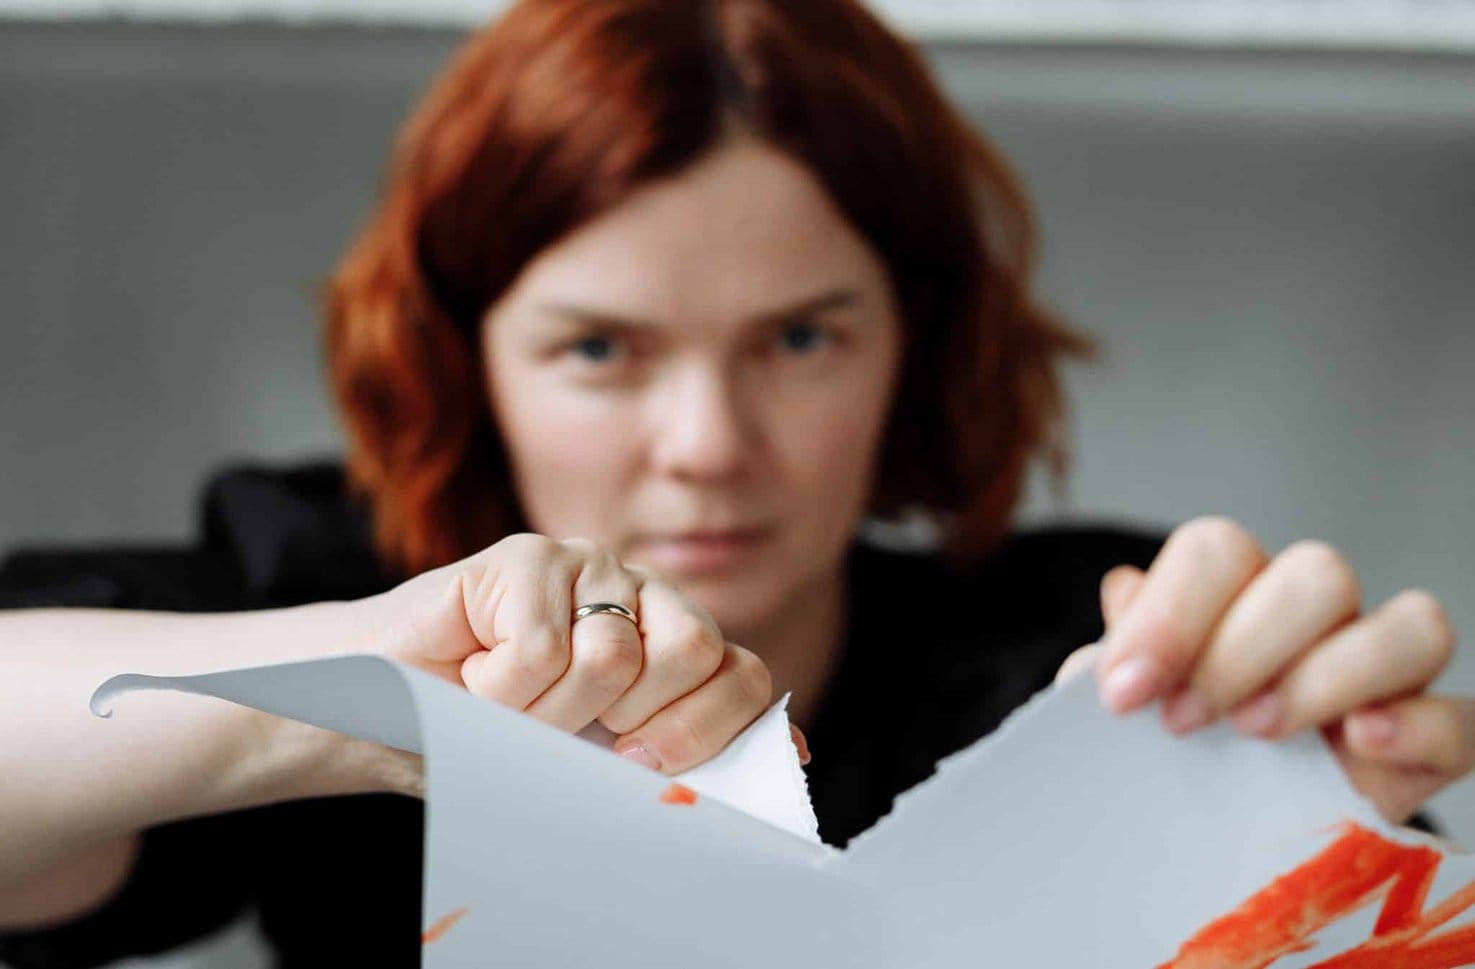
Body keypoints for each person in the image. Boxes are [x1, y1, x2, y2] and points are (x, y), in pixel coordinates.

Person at [1, 0, 1466, 964]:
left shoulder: (1086, 661)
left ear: (915, 345)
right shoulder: (315, 576)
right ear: (466, 361)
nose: (706, 442)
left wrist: (1279, 845)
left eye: (800, 338)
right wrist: (360, 684)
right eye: (599, 349)